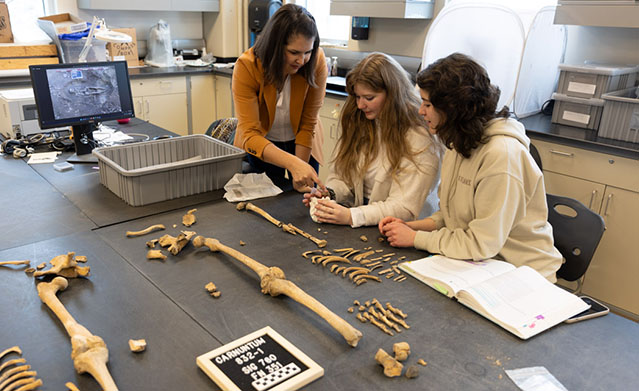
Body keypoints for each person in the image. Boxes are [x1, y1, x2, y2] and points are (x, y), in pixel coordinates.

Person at [379, 53, 562, 282]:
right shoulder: (460, 141)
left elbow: (480, 243)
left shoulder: (501, 156)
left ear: (452, 108)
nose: (420, 111)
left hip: (521, 276)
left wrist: (415, 239)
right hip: (482, 264)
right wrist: (410, 227)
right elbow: (452, 217)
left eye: (427, 104)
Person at [303, 52, 441, 228]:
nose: (360, 105)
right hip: (364, 221)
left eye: (369, 98)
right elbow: (343, 175)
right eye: (358, 97)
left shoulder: (419, 137)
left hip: (402, 229)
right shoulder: (361, 120)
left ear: (392, 95)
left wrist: (352, 216)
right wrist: (329, 195)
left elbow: (404, 207)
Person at [232, 4, 327, 192]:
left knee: (303, 201)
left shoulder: (316, 61)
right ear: (275, 46)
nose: (302, 61)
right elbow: (250, 134)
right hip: (263, 144)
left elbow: (308, 123)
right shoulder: (247, 66)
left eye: (307, 52)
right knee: (267, 200)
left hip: (303, 143)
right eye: (294, 52)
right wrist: (292, 164)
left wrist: (299, 167)